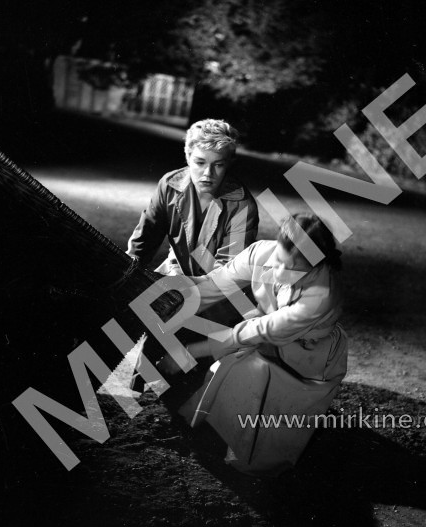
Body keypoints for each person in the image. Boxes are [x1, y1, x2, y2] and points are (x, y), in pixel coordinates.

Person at [164, 213, 348, 476]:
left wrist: (190, 353)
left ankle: (249, 448)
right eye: (280, 261)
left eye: (295, 269)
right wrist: (173, 293)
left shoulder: (321, 295)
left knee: (249, 373)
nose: (281, 273)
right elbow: (213, 286)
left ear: (315, 266)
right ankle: (222, 432)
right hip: (263, 339)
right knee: (239, 370)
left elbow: (259, 330)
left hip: (308, 358)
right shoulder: (261, 253)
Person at [127, 118, 259, 277]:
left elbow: (227, 275)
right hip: (173, 272)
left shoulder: (242, 206)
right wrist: (127, 272)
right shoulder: (169, 186)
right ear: (188, 157)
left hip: (214, 291)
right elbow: (143, 242)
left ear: (229, 163)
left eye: (218, 165)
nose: (207, 173)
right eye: (200, 162)